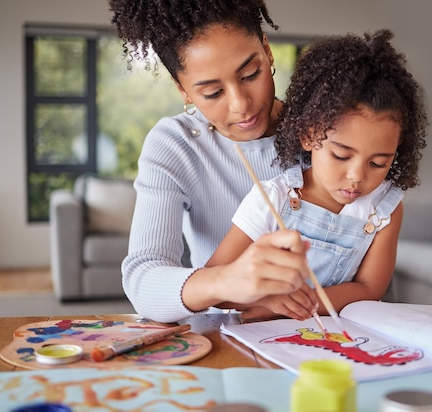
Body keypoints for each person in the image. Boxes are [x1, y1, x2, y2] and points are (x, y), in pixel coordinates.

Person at [109, 0, 318, 323]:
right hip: (233, 340)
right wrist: (228, 280)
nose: (241, 105)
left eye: (251, 74)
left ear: (267, 50)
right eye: (212, 93)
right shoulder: (175, 145)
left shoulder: (321, 132)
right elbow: (142, 279)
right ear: (184, 91)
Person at [207, 29, 428, 318]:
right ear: (309, 136)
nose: (356, 176)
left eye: (378, 163)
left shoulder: (384, 208)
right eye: (341, 155)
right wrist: (268, 303)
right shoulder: (274, 197)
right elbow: (215, 284)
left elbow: (369, 288)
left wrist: (296, 305)